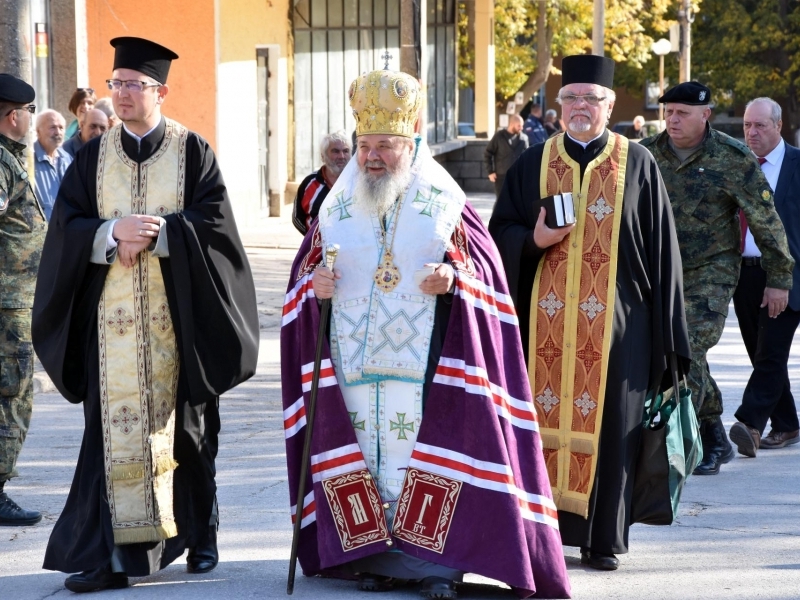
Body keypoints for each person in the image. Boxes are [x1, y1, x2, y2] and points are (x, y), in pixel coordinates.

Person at [281, 68, 570, 599]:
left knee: (426, 454)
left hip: (430, 366)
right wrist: (312, 284)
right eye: (365, 145)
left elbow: (488, 278)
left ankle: (437, 564)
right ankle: (372, 557)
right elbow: (301, 281)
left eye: (385, 146)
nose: (372, 157)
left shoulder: (446, 203)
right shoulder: (335, 207)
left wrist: (454, 279)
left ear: (411, 141)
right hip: (353, 369)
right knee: (365, 456)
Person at [32, 37, 259, 592]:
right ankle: (115, 557)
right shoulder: (91, 156)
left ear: (160, 90)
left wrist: (161, 236)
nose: (122, 93)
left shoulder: (192, 152)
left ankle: (201, 535)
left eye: (134, 84)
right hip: (108, 332)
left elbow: (217, 229)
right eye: (116, 83)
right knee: (111, 439)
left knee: (190, 436)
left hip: (179, 321)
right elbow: (66, 229)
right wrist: (111, 233)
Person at [489, 55, 691, 571]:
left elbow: (663, 254)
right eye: (572, 98)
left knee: (612, 432)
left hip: (620, 330)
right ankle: (543, 538)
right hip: (542, 328)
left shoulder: (638, 163)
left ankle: (603, 539)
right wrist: (532, 241)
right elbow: (496, 239)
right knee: (536, 427)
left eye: (592, 99)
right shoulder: (533, 162)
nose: (581, 107)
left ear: (608, 106)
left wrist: (671, 341)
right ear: (558, 106)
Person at [641, 83, 794, 475]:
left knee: (686, 346)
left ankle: (704, 438)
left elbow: (766, 222)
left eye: (682, 113)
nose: (672, 120)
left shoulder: (732, 157)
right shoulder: (644, 154)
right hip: (659, 270)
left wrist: (779, 277)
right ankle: (715, 436)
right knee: (671, 352)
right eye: (668, 112)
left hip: (713, 271)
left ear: (705, 114)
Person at [729, 97, 800, 455]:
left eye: (760, 126)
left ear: (778, 125)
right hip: (745, 275)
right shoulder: (738, 165)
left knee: (771, 354)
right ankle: (787, 425)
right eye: (747, 126)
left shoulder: (797, 166)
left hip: (785, 277)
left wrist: (781, 280)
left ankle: (749, 424)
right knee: (762, 356)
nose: (752, 133)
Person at [0, 74, 46, 528]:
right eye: (30, 112)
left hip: (14, 300)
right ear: (14, 115)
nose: (32, 120)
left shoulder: (10, 159)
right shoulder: (0, 161)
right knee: (11, 396)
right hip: (7, 304)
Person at [292, 130, 351, 235]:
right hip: (319, 249)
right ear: (323, 156)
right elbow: (297, 218)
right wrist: (312, 239)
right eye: (335, 151)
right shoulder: (309, 184)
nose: (341, 156)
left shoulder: (359, 182)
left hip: (353, 249)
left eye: (346, 151)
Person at [34, 109, 73, 220]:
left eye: (61, 128)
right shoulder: (29, 161)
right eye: (52, 127)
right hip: (41, 233)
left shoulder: (67, 159)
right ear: (38, 131)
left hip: (65, 230)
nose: (57, 132)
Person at [484, 114, 528, 199]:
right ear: (511, 124)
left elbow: (527, 158)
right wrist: (490, 171)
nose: (521, 128)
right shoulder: (499, 136)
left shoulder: (524, 139)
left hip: (518, 176)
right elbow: (488, 153)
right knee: (502, 202)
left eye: (522, 126)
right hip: (501, 177)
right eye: (519, 125)